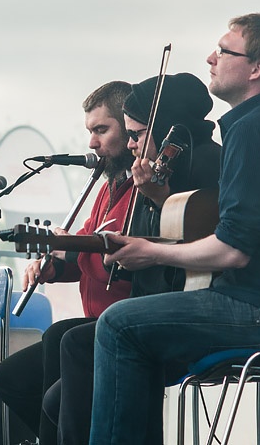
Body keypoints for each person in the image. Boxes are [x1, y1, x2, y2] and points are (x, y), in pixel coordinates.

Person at [89, 14, 260, 444]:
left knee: (117, 325)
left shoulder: (255, 128)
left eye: (225, 50)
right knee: (126, 329)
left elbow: (234, 249)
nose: (211, 56)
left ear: (256, 68)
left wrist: (149, 251)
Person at [45, 72, 222, 445]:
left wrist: (159, 197)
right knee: (59, 348)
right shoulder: (152, 175)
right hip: (162, 302)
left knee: (74, 344)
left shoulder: (205, 166)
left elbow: (188, 243)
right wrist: (63, 257)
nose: (132, 144)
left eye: (137, 135)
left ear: (164, 127)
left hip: (190, 306)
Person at [0, 81, 136, 442]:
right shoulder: (106, 188)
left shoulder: (142, 193)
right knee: (8, 379)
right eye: (90, 131)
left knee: (60, 338)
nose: (91, 143)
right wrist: (56, 267)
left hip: (121, 325)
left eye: (102, 130)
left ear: (131, 128)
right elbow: (84, 256)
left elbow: (113, 269)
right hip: (94, 325)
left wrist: (69, 248)